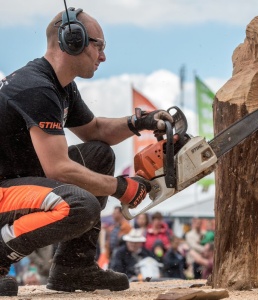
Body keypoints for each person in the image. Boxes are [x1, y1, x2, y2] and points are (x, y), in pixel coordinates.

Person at [0, 6, 173, 297]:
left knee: (99, 155)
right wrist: (121, 188)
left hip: (18, 182)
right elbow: (58, 168)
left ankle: (73, 267)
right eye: (99, 46)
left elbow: (95, 131)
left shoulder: (61, 86)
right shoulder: (36, 88)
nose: (103, 56)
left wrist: (138, 122)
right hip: (4, 191)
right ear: (73, 39)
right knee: (79, 204)